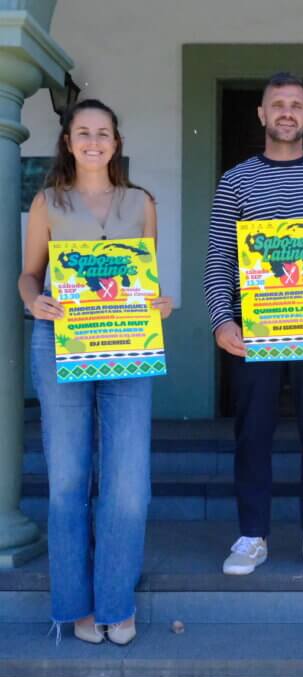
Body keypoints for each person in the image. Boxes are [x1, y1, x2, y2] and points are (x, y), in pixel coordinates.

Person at [19, 99, 172, 645]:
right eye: (82, 132)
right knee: (67, 481)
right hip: (60, 343)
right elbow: (29, 275)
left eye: (102, 132)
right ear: (68, 141)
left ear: (116, 142)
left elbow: (145, 279)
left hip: (129, 346)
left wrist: (160, 304)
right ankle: (75, 604)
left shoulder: (141, 202)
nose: (92, 141)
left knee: (128, 484)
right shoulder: (48, 202)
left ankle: (115, 601)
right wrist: (33, 301)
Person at [204, 72, 303, 576]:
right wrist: (221, 320)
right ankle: (251, 535)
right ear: (262, 114)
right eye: (277, 104)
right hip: (254, 328)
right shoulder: (235, 180)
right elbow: (219, 258)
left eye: (296, 105)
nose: (287, 112)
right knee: (253, 432)